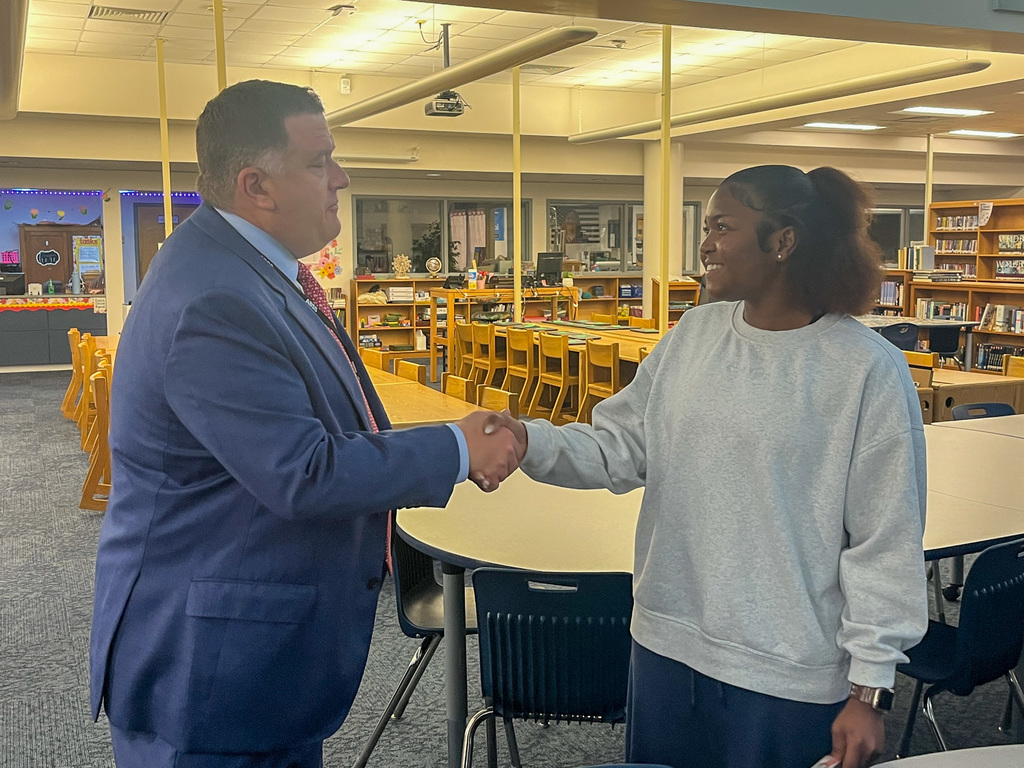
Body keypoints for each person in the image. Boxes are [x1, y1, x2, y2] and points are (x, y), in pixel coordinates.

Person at [89, 79, 520, 767]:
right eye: (320, 161)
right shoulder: (214, 298)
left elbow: (336, 430)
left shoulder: (255, 275)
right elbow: (304, 472)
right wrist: (457, 450)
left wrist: (448, 443)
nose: (340, 178)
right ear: (256, 185)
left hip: (257, 660)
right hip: (210, 673)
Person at [491, 165, 928, 768]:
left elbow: (886, 540)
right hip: (665, 645)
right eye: (706, 227)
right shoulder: (692, 335)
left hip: (786, 673)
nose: (705, 244)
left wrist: (870, 688)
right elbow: (620, 446)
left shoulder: (866, 370)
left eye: (723, 226)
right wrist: (526, 441)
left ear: (784, 241)